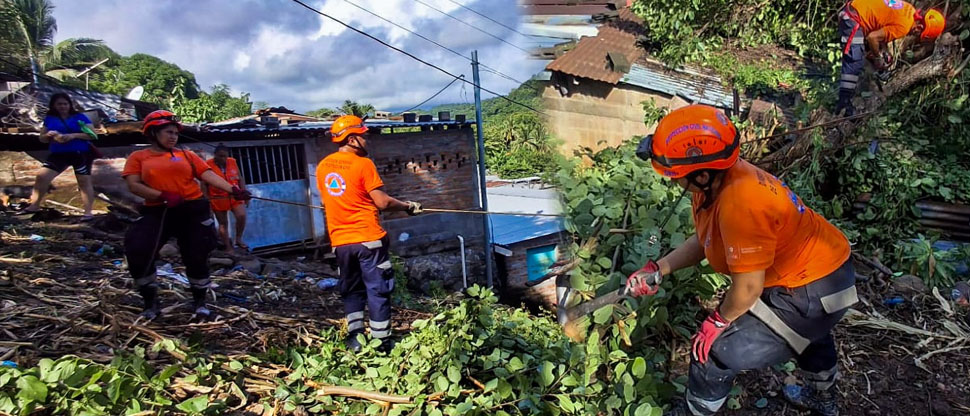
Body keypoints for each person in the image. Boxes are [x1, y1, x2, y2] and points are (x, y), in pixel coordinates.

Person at [627, 105, 858, 416]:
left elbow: (748, 288)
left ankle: (693, 412)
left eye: (675, 176)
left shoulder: (741, 202)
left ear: (701, 173)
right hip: (826, 274)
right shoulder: (716, 182)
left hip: (813, 290)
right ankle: (825, 402)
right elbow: (709, 239)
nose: (673, 181)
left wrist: (717, 322)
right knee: (811, 334)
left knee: (714, 351)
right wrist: (660, 268)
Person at [122, 110, 251, 320]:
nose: (173, 137)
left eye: (175, 133)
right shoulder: (139, 157)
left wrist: (233, 189)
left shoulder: (187, 155)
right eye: (168, 132)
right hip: (158, 210)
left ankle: (200, 302)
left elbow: (207, 174)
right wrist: (161, 195)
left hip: (192, 209)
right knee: (138, 249)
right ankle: (150, 302)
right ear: (153, 133)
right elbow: (133, 185)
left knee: (197, 254)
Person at [316, 115, 423, 352]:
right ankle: (381, 341)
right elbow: (382, 202)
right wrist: (408, 206)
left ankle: (355, 338)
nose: (367, 140)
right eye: (364, 136)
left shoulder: (323, 166)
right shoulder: (363, 165)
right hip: (368, 240)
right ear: (352, 139)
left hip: (341, 243)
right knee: (378, 288)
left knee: (351, 288)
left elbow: (331, 199)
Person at [835, 0, 945, 115]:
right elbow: (872, 38)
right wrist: (878, 58)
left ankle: (849, 97)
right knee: (854, 62)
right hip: (853, 18)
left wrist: (884, 52)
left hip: (855, 9)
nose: (915, 36)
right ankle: (844, 105)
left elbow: (881, 25)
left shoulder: (909, 10)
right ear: (920, 27)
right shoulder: (904, 27)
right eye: (919, 34)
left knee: (861, 59)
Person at [22, 93, 98, 219]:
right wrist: (48, 136)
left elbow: (93, 135)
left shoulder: (79, 117)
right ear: (54, 105)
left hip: (80, 152)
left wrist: (73, 136)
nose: (63, 106)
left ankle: (88, 212)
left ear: (70, 105)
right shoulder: (50, 119)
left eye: (65, 104)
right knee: (42, 176)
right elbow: (42, 138)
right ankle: (34, 206)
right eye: (59, 104)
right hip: (58, 153)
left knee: (84, 182)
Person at [204, 145, 249, 252]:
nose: (223, 159)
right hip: (217, 198)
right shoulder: (207, 164)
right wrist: (207, 200)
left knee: (241, 215)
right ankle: (228, 247)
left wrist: (244, 193)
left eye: (225, 156)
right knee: (223, 223)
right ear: (215, 155)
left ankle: (238, 238)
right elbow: (204, 184)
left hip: (235, 195)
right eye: (220, 156)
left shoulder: (232, 162)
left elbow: (240, 178)